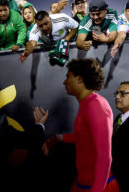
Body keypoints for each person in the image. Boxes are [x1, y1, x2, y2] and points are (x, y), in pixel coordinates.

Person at [42, 58, 119, 192]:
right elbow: (86, 137)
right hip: (83, 184)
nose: (64, 82)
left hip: (99, 187)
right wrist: (58, 138)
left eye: (68, 77)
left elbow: (104, 157)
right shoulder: (87, 103)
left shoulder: (96, 105)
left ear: (80, 79)